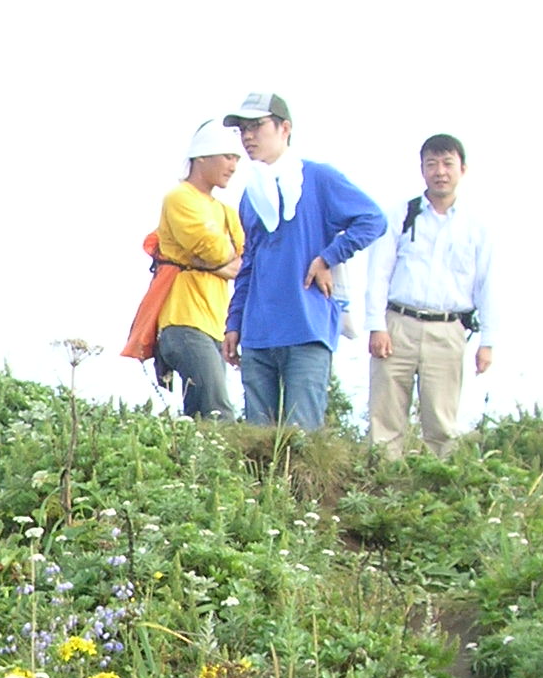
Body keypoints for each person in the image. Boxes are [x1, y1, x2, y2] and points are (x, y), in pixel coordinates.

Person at [221, 93, 386, 430]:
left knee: (302, 436)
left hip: (306, 325)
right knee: (257, 440)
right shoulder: (251, 194)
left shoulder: (317, 178)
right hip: (258, 332)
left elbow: (372, 219)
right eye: (242, 130)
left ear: (284, 128)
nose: (248, 136)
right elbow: (248, 263)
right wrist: (234, 323)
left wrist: (328, 257)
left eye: (256, 126)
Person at [364, 133, 497, 454]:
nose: (440, 172)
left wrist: (488, 342)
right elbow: (378, 272)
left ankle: (439, 482)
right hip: (398, 325)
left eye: (448, 164)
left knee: (441, 424)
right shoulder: (401, 214)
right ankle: (384, 480)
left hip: (448, 330)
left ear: (462, 169)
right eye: (432, 164)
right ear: (422, 169)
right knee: (385, 420)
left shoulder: (476, 226)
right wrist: (376, 325)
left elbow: (487, 285)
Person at [143, 119, 246, 418]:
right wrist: (218, 259)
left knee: (200, 414)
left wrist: (204, 261)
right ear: (202, 156)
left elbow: (244, 262)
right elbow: (214, 249)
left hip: (215, 324)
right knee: (219, 410)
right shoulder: (179, 198)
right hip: (184, 322)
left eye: (237, 159)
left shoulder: (226, 211)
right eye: (227, 157)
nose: (233, 166)